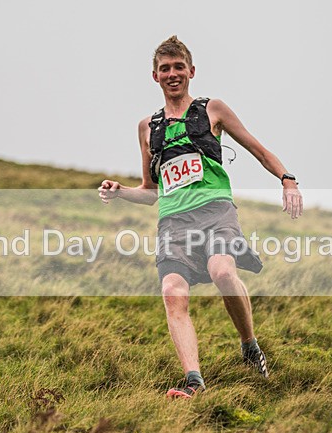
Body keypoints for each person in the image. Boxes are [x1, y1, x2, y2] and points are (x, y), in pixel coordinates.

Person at [99, 36, 303, 398]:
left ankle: (249, 346)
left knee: (223, 272)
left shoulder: (213, 110)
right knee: (172, 293)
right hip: (173, 223)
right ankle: (194, 382)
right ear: (155, 76)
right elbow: (150, 191)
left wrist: (287, 180)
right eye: (165, 69)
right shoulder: (148, 127)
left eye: (179, 67)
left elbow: (258, 149)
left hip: (215, 212)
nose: (173, 74)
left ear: (191, 71)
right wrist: (120, 192)